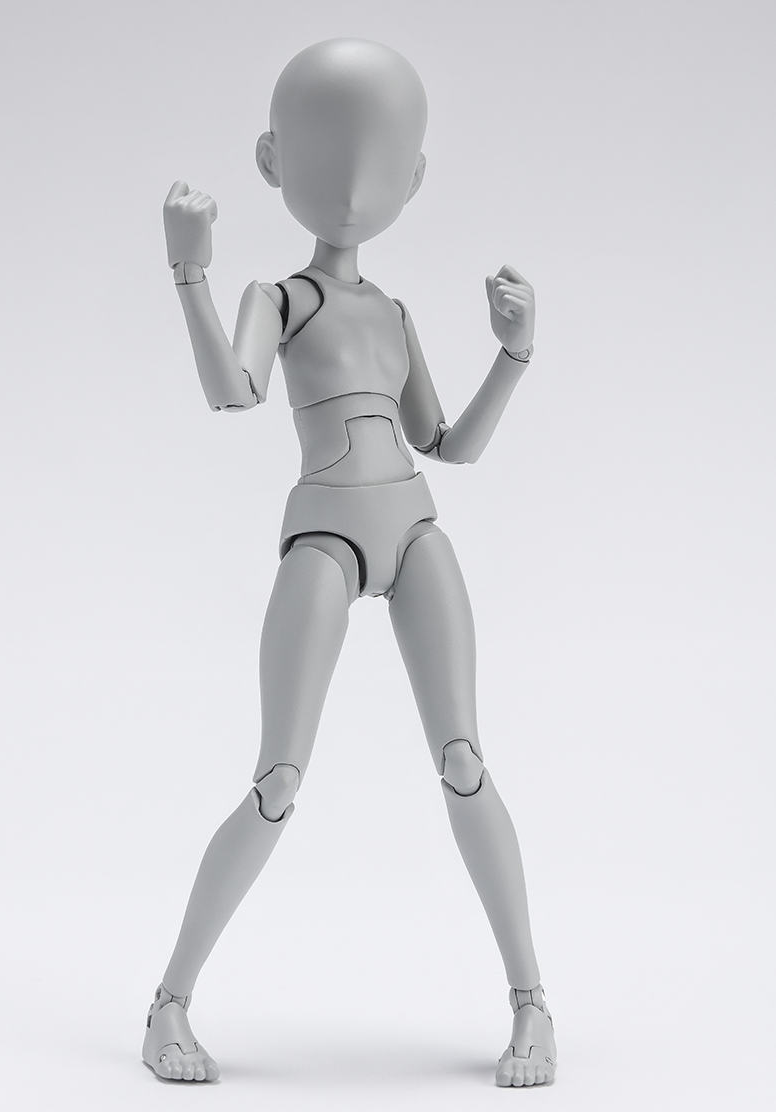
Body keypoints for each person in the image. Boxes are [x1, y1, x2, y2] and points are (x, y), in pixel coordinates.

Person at [144, 38, 556, 1088]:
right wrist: (190, 273)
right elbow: (232, 392)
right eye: (327, 150)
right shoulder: (279, 299)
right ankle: (169, 1004)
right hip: (324, 534)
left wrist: (513, 355)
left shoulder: (395, 312)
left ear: (414, 177)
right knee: (279, 778)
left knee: (464, 760)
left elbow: (447, 443)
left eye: (383, 158)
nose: (355, 180)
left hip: (414, 529)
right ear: (272, 159)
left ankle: (531, 1004)